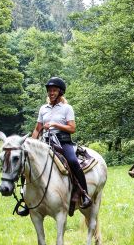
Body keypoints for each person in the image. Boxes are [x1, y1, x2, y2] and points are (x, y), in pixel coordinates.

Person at [31, 76, 92, 209]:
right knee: (28, 162)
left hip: (63, 142)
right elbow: (37, 129)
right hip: (45, 142)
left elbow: (72, 128)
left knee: (73, 161)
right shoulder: (43, 108)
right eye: (49, 90)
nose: (51, 93)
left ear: (60, 92)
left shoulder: (67, 108)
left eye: (54, 90)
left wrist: (55, 124)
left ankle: (84, 194)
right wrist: (30, 144)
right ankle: (26, 199)